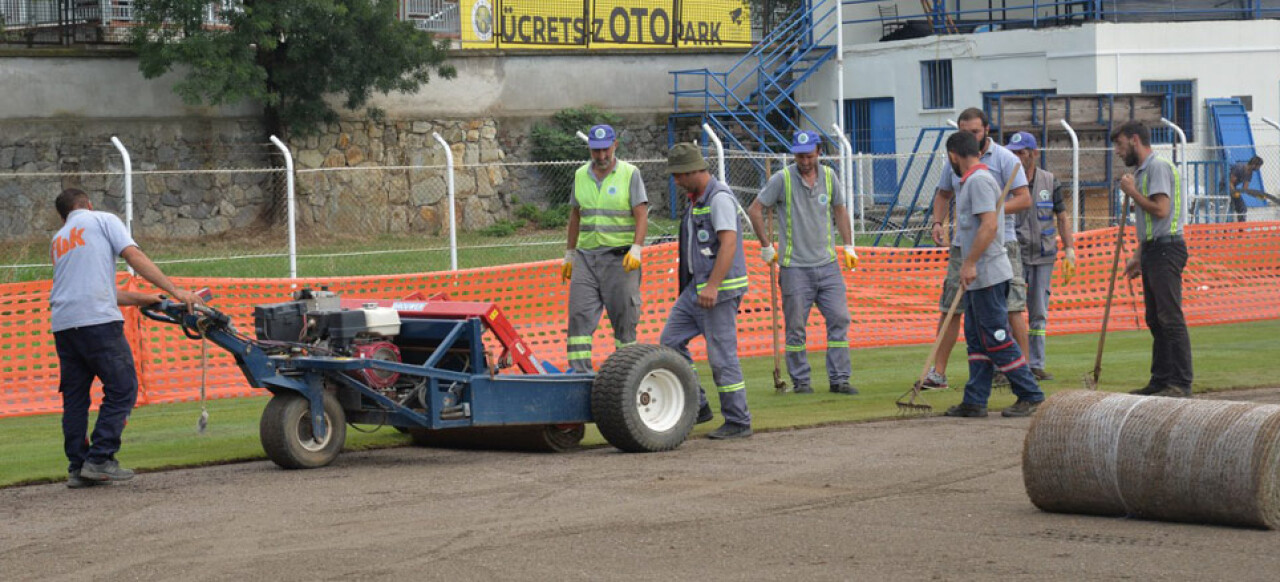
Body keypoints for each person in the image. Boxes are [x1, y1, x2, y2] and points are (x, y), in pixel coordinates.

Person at [51, 188, 203, 488]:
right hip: (98, 323)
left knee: (76, 398)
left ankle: (77, 465)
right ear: (88, 204)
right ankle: (100, 458)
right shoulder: (102, 220)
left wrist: (144, 299)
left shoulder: (59, 240)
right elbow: (133, 255)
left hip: (65, 326)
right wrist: (177, 292)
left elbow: (96, 291)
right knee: (123, 387)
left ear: (64, 214)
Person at [921, 108, 1031, 391]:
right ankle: (940, 374)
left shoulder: (1003, 160)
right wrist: (938, 222)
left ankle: (1024, 373)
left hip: (999, 244)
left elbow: (1024, 199)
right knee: (953, 309)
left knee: (1012, 309)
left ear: (986, 131)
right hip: (964, 245)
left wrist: (988, 211)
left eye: (974, 132)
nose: (969, 136)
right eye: (963, 131)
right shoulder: (955, 164)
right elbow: (943, 194)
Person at [940, 132, 1045, 418]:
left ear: (953, 156)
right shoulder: (972, 181)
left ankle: (1031, 394)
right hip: (977, 276)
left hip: (988, 274)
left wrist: (970, 263)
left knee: (996, 337)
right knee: (976, 338)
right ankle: (975, 399)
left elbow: (989, 227)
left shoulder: (979, 182)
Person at [747, 131, 858, 395]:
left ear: (819, 152)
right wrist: (765, 246)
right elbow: (755, 209)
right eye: (799, 156)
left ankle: (839, 379)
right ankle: (801, 382)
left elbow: (840, 210)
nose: (804, 161)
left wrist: (849, 245)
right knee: (796, 328)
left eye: (808, 155)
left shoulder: (830, 177)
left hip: (828, 265)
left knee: (839, 319)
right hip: (794, 267)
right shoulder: (782, 179)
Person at [659, 143, 752, 439]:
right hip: (695, 289)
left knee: (722, 357)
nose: (676, 181)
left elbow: (729, 244)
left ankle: (738, 421)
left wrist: (713, 285)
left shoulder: (719, 198)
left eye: (679, 175)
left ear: (693, 171)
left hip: (717, 291)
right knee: (670, 342)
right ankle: (696, 403)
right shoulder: (696, 199)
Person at [1112, 122, 1194, 398]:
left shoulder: (1157, 167)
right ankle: (1160, 380)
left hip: (1166, 249)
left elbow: (1161, 209)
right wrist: (1138, 254)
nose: (1118, 152)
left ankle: (1181, 382)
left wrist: (1132, 193)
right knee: (1155, 319)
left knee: (1170, 317)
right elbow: (1150, 221)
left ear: (1135, 140)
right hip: (1152, 249)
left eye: (1121, 145)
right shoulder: (1142, 171)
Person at [560, 124, 648, 372]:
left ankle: (626, 374)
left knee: (624, 322)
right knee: (578, 316)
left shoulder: (630, 174)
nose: (601, 156)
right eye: (596, 151)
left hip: (621, 260)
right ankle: (579, 373)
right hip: (586, 260)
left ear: (615, 146)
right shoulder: (580, 175)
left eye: (605, 150)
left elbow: (641, 215)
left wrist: (637, 248)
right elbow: (576, 216)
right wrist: (569, 254)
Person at [1006, 132, 1077, 381]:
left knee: (1038, 314)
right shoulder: (1005, 181)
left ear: (1033, 154)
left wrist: (1069, 249)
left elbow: (1062, 216)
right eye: (1012, 152)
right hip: (1014, 254)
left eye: (1020, 152)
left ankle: (1035, 364)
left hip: (1044, 255)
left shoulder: (1050, 181)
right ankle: (1008, 366)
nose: (1016, 157)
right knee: (1010, 310)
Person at [1227, 156, 1264, 222]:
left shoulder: (1249, 173)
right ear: (1254, 164)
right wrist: (1234, 192)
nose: (1259, 168)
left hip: (1233, 189)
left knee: (1242, 208)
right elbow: (1230, 182)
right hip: (1225, 187)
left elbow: (1245, 189)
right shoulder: (1239, 168)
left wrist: (1257, 195)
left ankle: (1241, 230)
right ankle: (1226, 228)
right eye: (1259, 166)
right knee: (1229, 208)